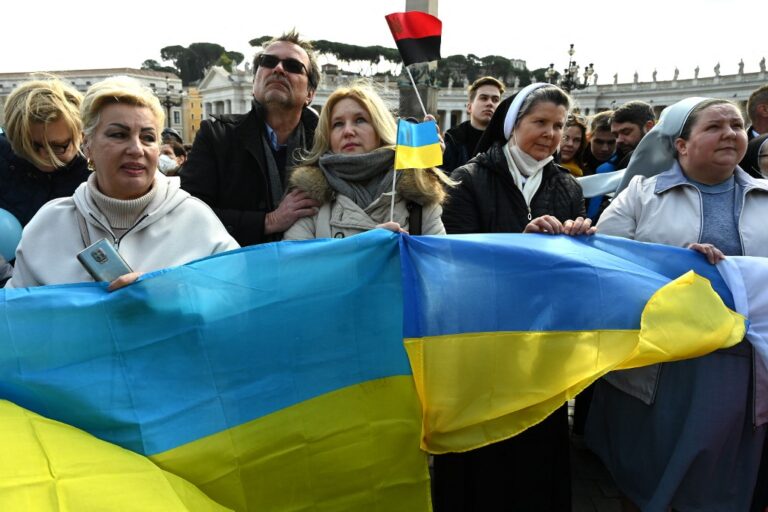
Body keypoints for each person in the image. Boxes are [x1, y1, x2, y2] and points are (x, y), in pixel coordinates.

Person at [586, 97, 768, 511]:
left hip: (742, 365)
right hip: (661, 365)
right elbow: (608, 264)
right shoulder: (640, 194)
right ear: (681, 145)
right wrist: (676, 264)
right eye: (714, 127)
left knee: (722, 478)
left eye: (736, 126)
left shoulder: (766, 196)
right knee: (649, 470)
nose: (730, 133)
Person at [439, 83, 594, 512]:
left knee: (535, 447)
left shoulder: (568, 187)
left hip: (540, 339)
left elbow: (571, 271)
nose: (551, 133)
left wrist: (580, 241)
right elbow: (456, 256)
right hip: (480, 336)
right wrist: (520, 245)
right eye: (539, 122)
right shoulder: (466, 179)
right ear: (513, 126)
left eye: (559, 126)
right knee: (479, 449)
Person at [6, 76, 238, 289]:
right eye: (118, 134)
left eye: (148, 137)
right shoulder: (48, 224)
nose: (136, 149)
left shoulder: (197, 219)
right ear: (87, 145)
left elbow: (238, 302)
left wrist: (170, 296)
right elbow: (17, 317)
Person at [181, 30, 322, 246]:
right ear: (254, 83)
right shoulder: (215, 135)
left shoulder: (327, 144)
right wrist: (268, 221)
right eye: (268, 61)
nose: (278, 69)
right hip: (235, 270)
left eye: (293, 66)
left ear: (310, 94)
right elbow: (188, 213)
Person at [284, 83, 453, 239]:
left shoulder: (418, 193)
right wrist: (367, 247)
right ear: (328, 136)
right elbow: (295, 267)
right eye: (337, 124)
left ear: (380, 129)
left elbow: (438, 265)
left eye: (360, 120)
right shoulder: (309, 197)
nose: (348, 131)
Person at [0, 77, 90, 228]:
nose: (42, 157)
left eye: (58, 147)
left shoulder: (99, 171)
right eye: (31, 146)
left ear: (81, 135)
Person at [442, 76, 504, 173]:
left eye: (495, 100)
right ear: (469, 107)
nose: (490, 103)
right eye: (484, 98)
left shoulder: (507, 141)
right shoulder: (451, 141)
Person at [581, 111, 616, 176]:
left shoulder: (626, 161)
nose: (605, 149)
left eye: (611, 142)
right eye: (599, 142)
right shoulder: (575, 157)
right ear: (588, 137)